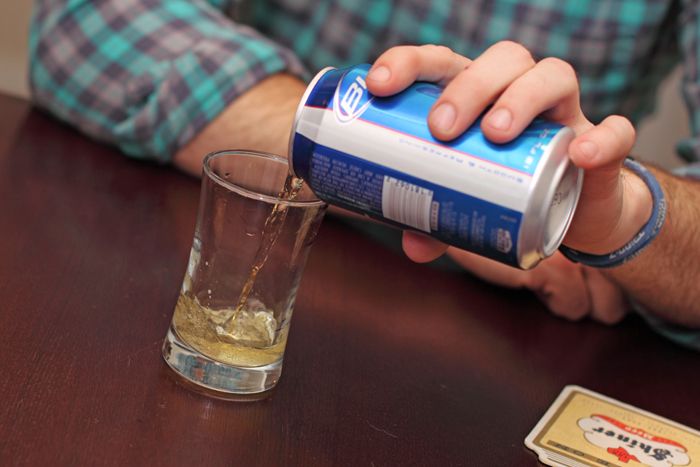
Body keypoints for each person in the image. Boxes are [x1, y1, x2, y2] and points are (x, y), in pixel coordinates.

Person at [29, 1, 700, 345]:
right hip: (297, 264)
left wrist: (620, 217)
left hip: (513, 340)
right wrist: (401, 170)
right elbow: (84, 20)